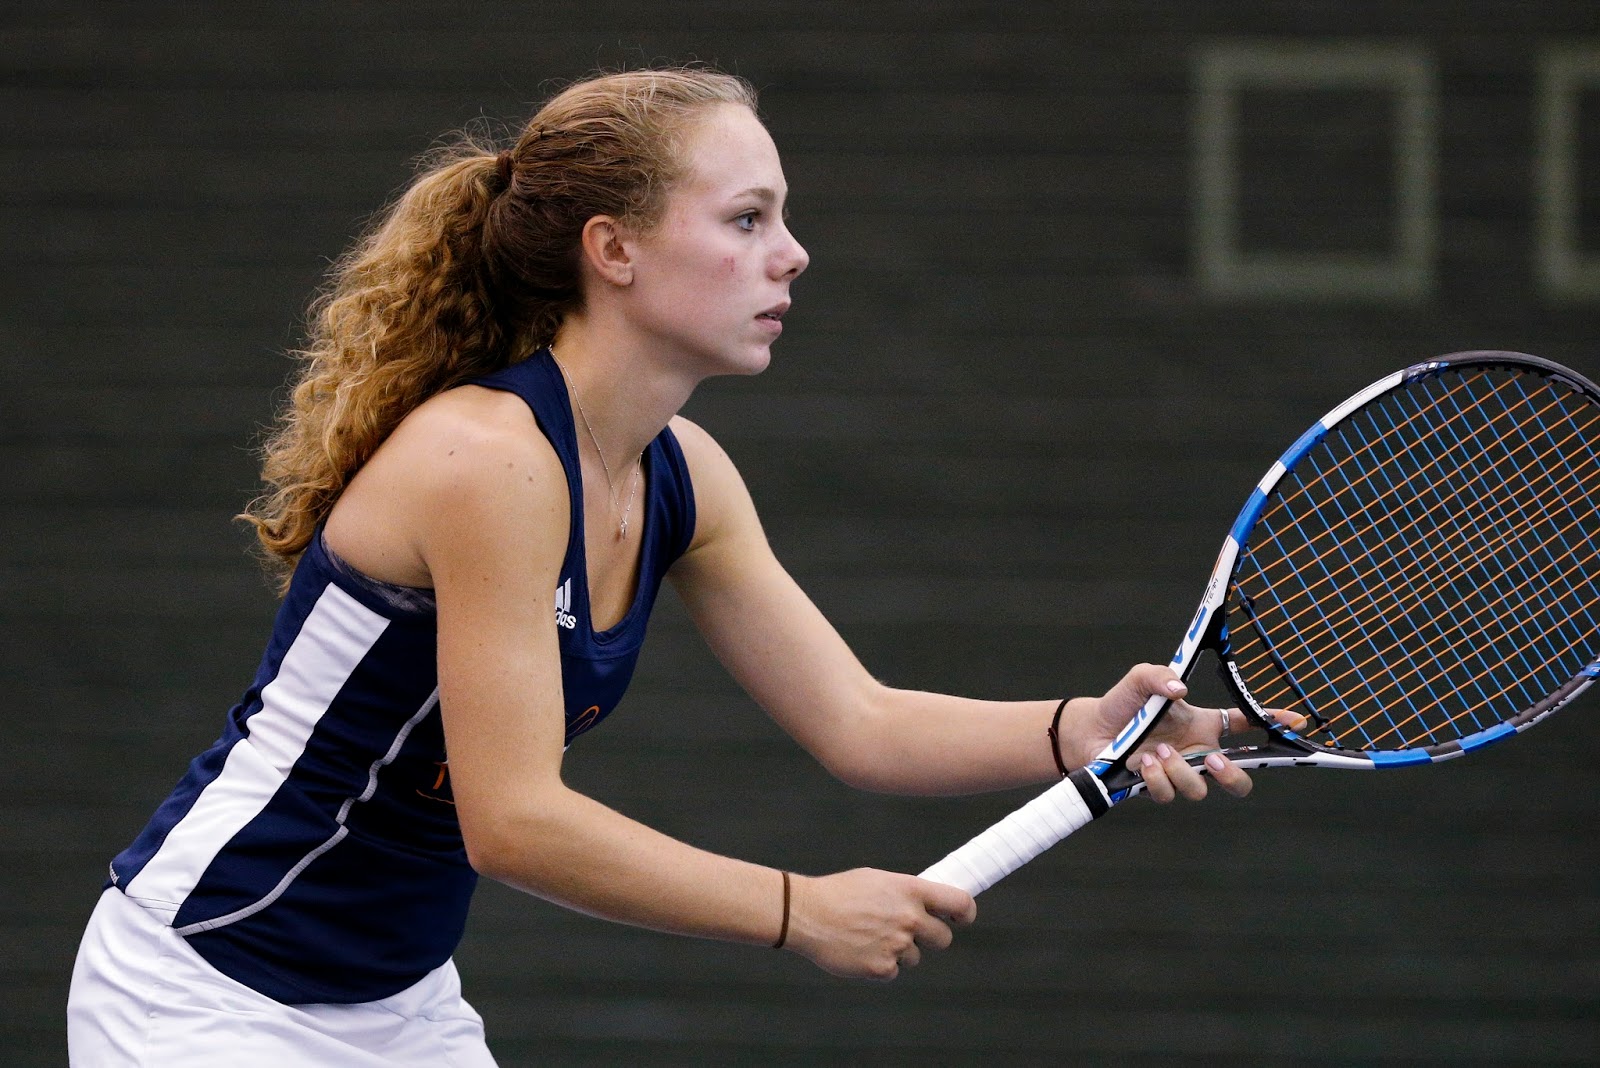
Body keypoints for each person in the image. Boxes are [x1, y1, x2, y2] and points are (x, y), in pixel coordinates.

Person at [66, 66, 1256, 1066]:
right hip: (204, 991)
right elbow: (515, 824)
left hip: (396, 1006)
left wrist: (1089, 729)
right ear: (614, 250)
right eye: (746, 219)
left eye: (782, 218)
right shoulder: (488, 462)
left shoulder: (682, 471)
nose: (791, 255)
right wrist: (798, 912)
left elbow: (864, 724)